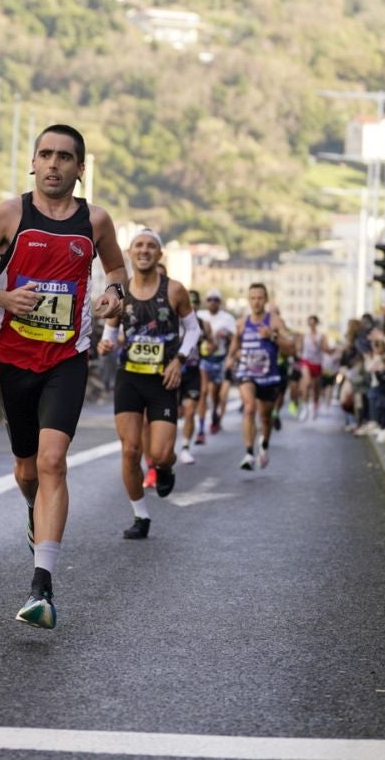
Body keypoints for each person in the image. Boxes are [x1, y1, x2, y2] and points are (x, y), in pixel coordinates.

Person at [0, 123, 126, 628]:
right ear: (33, 162)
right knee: (28, 471)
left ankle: (42, 585)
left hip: (67, 358)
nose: (53, 164)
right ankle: (37, 515)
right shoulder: (10, 214)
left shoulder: (95, 220)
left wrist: (113, 297)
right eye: (45, 155)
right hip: (13, 357)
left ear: (80, 168)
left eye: (65, 157)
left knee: (54, 462)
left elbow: (116, 273)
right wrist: (4, 299)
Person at [97, 229, 198, 539]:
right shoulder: (121, 290)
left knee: (159, 454)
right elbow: (111, 328)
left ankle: (165, 468)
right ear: (129, 252)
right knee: (130, 450)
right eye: (139, 245)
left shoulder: (175, 290)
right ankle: (140, 515)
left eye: (151, 246)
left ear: (159, 255)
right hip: (130, 378)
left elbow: (193, 331)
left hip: (162, 380)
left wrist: (179, 360)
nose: (144, 250)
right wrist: (105, 343)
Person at [226, 283, 291, 471]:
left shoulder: (275, 321)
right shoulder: (241, 323)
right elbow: (233, 349)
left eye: (260, 298)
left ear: (266, 300)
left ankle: (264, 445)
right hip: (247, 372)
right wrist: (230, 359)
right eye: (253, 298)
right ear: (248, 300)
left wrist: (272, 336)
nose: (256, 301)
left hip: (269, 376)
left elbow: (290, 348)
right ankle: (248, 453)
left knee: (265, 417)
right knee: (249, 408)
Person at [196, 288, 237, 441]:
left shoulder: (227, 318)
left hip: (220, 359)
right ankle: (201, 429)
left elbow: (235, 338)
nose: (213, 302)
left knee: (216, 394)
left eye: (216, 300)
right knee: (204, 391)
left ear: (220, 302)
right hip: (204, 359)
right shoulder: (200, 316)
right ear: (206, 302)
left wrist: (226, 335)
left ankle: (214, 414)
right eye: (210, 299)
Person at [176, 290, 210, 464]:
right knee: (175, 413)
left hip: (193, 372)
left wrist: (210, 346)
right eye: (190, 302)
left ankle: (185, 448)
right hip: (173, 372)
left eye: (195, 302)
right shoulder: (173, 321)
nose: (192, 305)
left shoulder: (203, 324)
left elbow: (212, 343)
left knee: (190, 411)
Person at [298, 315, 329, 420]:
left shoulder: (321, 336)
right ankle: (305, 407)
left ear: (316, 324)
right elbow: (299, 348)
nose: (311, 325)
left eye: (313, 323)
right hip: (306, 361)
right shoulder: (304, 335)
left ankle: (314, 406)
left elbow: (326, 349)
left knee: (315, 387)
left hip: (317, 363)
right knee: (306, 383)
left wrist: (319, 344)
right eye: (309, 323)